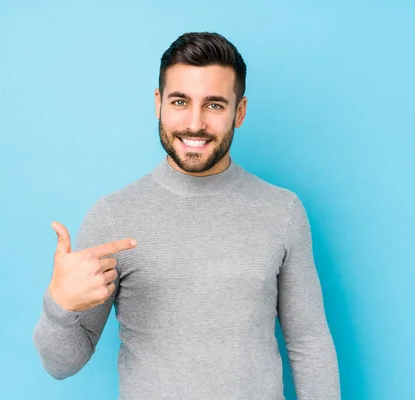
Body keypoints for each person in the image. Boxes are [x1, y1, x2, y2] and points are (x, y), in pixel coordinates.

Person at [32, 31, 341, 400]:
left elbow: (310, 343)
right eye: (180, 101)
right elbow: (61, 365)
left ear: (239, 112)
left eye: (214, 105)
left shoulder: (282, 211)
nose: (195, 123)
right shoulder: (113, 217)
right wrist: (59, 305)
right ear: (158, 103)